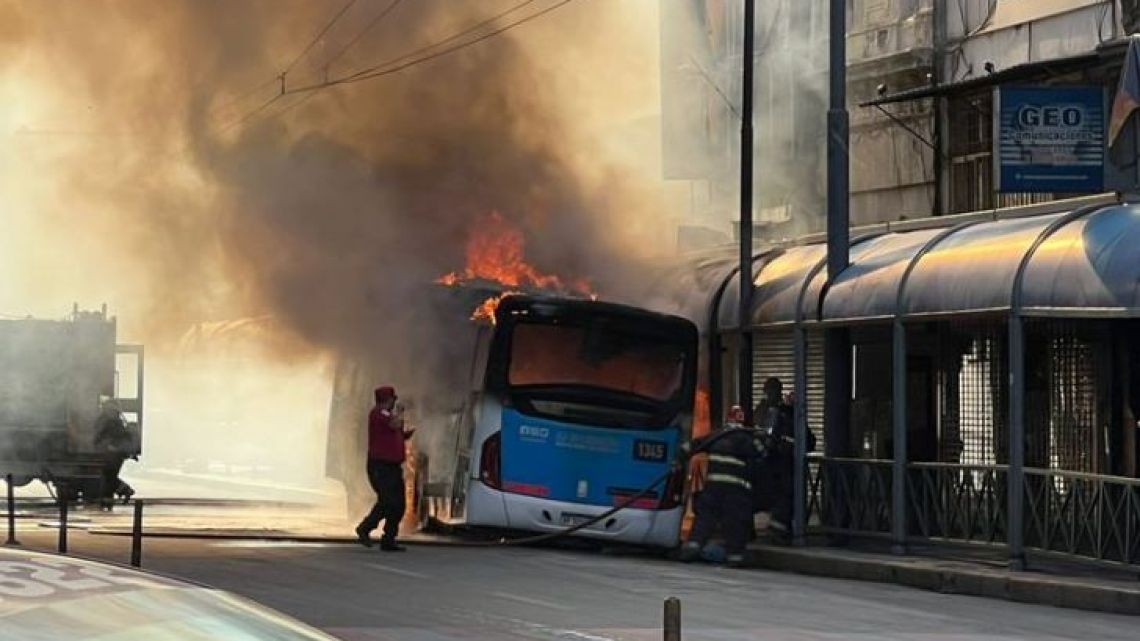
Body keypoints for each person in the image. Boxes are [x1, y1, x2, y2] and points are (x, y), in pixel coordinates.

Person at [678, 405, 766, 568]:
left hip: (713, 489)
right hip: (736, 492)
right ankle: (735, 557)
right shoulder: (749, 439)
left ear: (728, 419)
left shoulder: (717, 436)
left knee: (704, 518)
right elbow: (763, 456)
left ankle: (692, 547)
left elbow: (691, 446)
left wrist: (677, 461)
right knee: (735, 524)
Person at [355, 386, 415, 551]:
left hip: (393, 467)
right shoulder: (379, 413)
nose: (394, 402)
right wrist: (401, 412)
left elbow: (394, 431)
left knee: (399, 504)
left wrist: (405, 435)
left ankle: (389, 538)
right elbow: (394, 423)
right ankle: (365, 528)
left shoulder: (386, 416)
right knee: (388, 501)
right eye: (393, 399)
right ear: (386, 400)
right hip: (381, 466)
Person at [755, 377, 814, 543]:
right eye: (771, 391)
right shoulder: (764, 412)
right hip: (772, 464)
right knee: (783, 496)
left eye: (775, 390)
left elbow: (808, 440)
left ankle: (781, 530)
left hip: (782, 464)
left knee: (786, 496)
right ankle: (779, 530)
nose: (774, 394)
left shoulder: (785, 412)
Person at [93, 400, 134, 511]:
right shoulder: (117, 421)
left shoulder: (110, 421)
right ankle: (111, 498)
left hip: (112, 453)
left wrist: (100, 444)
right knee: (109, 477)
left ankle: (122, 492)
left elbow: (99, 434)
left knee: (108, 476)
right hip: (116, 454)